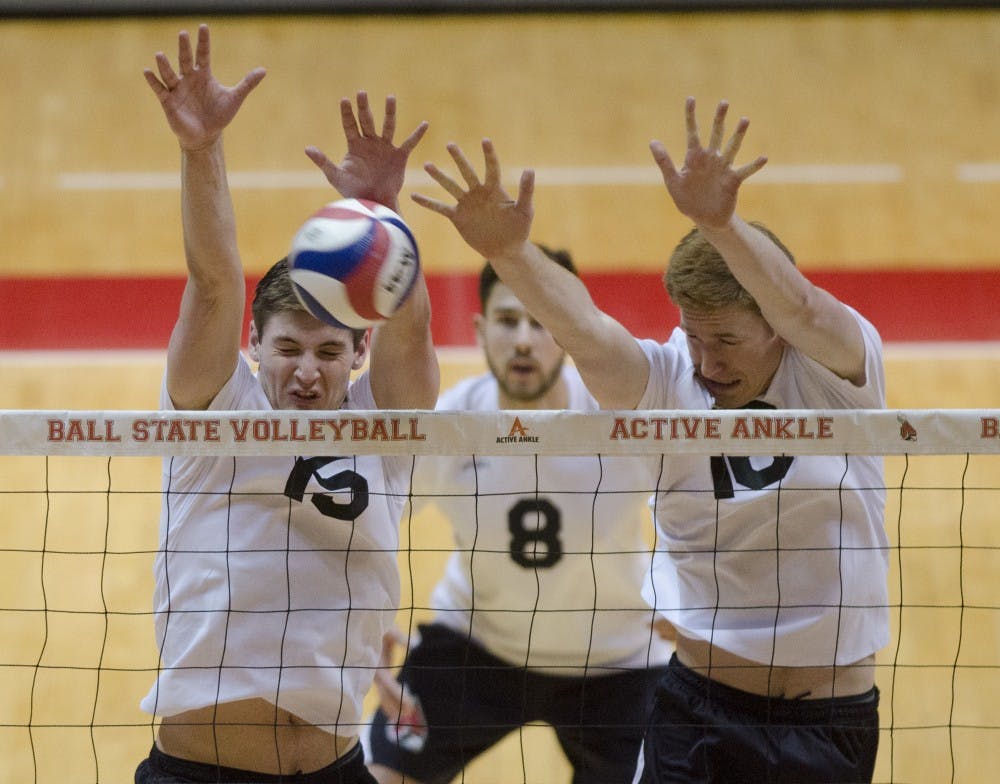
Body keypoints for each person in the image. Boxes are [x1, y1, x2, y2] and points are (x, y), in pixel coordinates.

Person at [411, 98, 888, 783]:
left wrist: (717, 222)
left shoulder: (842, 374)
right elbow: (582, 329)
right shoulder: (667, 381)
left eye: (726, 340)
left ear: (775, 328)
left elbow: (805, 306)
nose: (707, 362)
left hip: (828, 724)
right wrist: (510, 253)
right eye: (694, 337)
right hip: (699, 716)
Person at [137, 25, 438, 783]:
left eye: (330, 352)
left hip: (336, 768)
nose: (307, 372)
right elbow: (213, 282)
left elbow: (413, 334)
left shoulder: (384, 429)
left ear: (357, 355)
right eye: (289, 350)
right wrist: (201, 150)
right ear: (254, 345)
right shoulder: (216, 409)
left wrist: (379, 220)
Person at [364, 249, 673, 784]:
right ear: (481, 330)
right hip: (476, 649)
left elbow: (699, 505)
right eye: (508, 321)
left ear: (571, 333)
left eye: (543, 322)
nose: (525, 340)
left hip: (618, 664)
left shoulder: (620, 422)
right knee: (380, 776)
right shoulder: (451, 424)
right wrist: (356, 624)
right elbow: (367, 517)